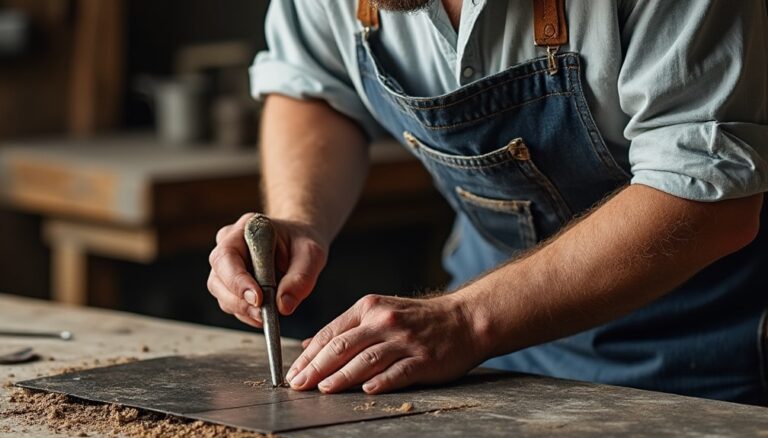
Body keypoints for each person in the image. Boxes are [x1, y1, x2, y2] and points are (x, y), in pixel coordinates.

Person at [207, 0, 768, 403]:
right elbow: (314, 84)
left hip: (701, 358)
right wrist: (300, 216)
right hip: (493, 364)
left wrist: (469, 319)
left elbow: (707, 196)